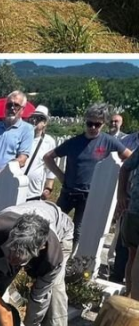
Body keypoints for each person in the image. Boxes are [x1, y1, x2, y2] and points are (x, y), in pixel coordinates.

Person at [43, 103, 131, 245]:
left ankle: (72, 258)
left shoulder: (108, 141)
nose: (93, 128)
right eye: (90, 123)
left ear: (103, 124)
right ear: (86, 121)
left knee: (78, 230)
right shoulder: (74, 142)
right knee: (54, 223)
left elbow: (129, 157)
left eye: (97, 124)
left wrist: (117, 172)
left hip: (89, 194)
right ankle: (49, 251)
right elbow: (48, 157)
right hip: (68, 191)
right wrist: (60, 175)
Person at [0, 91, 34, 222]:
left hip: (6, 182)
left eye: (16, 105)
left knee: (1, 222)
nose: (12, 108)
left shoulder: (27, 129)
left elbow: (22, 159)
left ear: (22, 109)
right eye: (9, 105)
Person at [116, 150, 139, 299]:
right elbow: (125, 167)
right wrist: (121, 194)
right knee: (132, 256)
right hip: (135, 209)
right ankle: (129, 297)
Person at [24, 104, 56, 201]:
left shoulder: (49, 141)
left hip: (34, 192)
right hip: (17, 186)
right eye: (34, 117)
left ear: (45, 122)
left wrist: (48, 188)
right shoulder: (23, 137)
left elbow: (50, 167)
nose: (35, 120)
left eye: (40, 118)